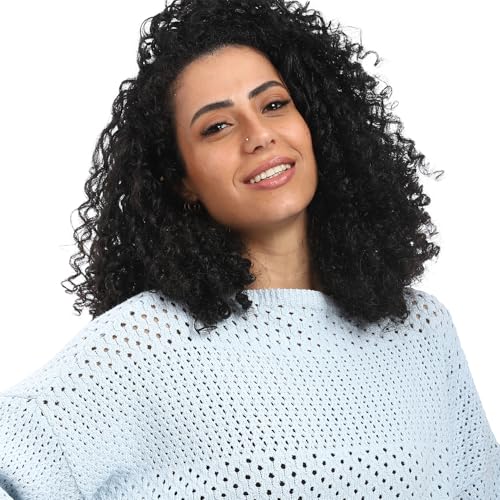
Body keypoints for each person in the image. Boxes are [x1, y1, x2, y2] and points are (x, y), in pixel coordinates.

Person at [0, 0, 498, 498]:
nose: (259, 136)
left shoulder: (421, 330)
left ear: (316, 124)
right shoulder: (145, 341)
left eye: (274, 105)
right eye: (217, 126)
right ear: (181, 180)